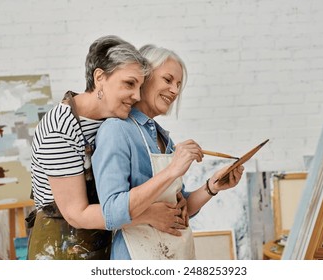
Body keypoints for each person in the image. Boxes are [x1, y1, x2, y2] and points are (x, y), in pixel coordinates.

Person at [27, 35, 186, 260]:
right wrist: (148, 214)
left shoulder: (111, 120)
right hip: (60, 249)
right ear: (100, 77)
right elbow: (76, 214)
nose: (137, 96)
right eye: (129, 84)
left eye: (140, 86)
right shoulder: (60, 126)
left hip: (100, 244)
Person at [92, 44, 244, 260]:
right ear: (144, 76)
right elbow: (112, 213)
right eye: (168, 79)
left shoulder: (163, 138)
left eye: (179, 84)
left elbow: (178, 212)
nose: (175, 90)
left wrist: (212, 186)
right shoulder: (116, 130)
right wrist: (173, 169)